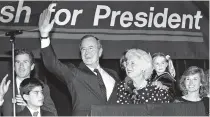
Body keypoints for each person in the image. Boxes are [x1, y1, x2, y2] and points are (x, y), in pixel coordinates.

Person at [38, 7, 120, 116]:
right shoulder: (74, 73)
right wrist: (44, 36)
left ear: (100, 51)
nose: (87, 52)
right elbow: (52, 64)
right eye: (83, 49)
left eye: (91, 48)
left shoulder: (113, 74)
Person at [2, 49, 57, 116]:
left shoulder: (42, 87)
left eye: (25, 62)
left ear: (32, 66)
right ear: (14, 67)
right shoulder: (3, 87)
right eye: (18, 62)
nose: (21, 66)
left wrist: (31, 107)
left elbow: (53, 114)